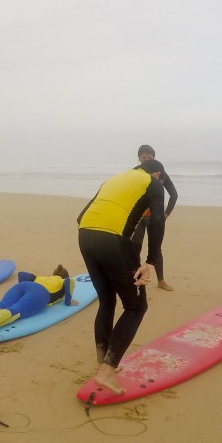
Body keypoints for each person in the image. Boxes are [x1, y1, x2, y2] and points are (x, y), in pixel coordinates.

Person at [77, 159, 166, 395]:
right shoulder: (153, 182)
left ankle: (101, 364)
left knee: (107, 300)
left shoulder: (114, 180)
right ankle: (107, 372)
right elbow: (158, 220)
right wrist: (151, 261)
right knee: (136, 306)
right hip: (112, 241)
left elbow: (81, 216)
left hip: (85, 236)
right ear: (157, 173)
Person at [0, 266, 75, 337]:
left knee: (1, 305)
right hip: (41, 293)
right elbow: (69, 282)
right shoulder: (62, 281)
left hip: (24, 286)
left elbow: (22, 274)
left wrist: (23, 294)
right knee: (17, 310)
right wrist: (68, 301)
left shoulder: (42, 277)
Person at [130, 144, 179, 291]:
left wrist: (166, 214)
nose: (146, 160)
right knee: (135, 248)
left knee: (156, 249)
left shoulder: (161, 174)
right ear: (139, 158)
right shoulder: (135, 174)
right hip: (138, 218)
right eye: (143, 158)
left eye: (149, 158)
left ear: (154, 158)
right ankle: (136, 278)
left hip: (154, 218)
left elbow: (174, 194)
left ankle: (161, 281)